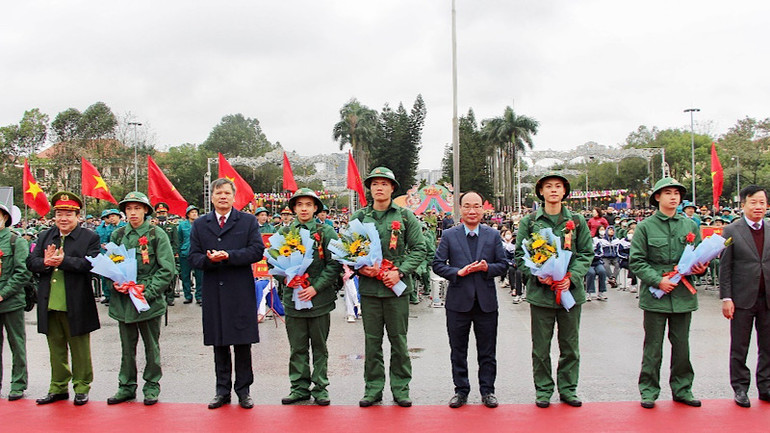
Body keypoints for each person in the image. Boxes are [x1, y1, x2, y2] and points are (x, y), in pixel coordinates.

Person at [514, 173, 592, 408]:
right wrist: (540, 276)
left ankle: (568, 389)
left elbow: (586, 253)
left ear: (565, 191)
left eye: (558, 186)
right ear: (541, 192)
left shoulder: (577, 221)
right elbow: (520, 255)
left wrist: (571, 277)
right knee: (541, 348)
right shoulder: (530, 222)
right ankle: (544, 390)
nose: (554, 190)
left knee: (570, 346)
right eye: (548, 187)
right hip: (541, 295)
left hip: (570, 293)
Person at [629, 178, 709, 409]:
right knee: (653, 347)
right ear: (657, 197)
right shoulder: (645, 227)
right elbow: (637, 261)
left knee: (682, 346)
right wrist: (658, 280)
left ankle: (683, 389)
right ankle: (649, 390)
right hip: (656, 295)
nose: (673, 197)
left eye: (676, 193)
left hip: (683, 295)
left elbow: (700, 256)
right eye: (667, 193)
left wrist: (701, 267)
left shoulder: (690, 225)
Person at [352, 167, 427, 408]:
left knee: (399, 341)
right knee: (371, 342)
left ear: (393, 188)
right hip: (370, 290)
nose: (380, 187)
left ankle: (400, 388)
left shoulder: (406, 217)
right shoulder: (359, 218)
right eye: (375, 184)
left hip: (396, 289)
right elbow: (347, 252)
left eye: (385, 183)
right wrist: (359, 268)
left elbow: (419, 249)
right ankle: (373, 388)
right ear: (370, 188)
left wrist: (400, 271)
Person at [189, 178, 264, 410]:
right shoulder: (201, 224)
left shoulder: (248, 221)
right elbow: (192, 256)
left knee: (242, 344)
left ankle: (244, 391)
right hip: (214, 290)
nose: (223, 197)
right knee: (219, 343)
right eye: (218, 193)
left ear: (234, 197)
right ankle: (222, 391)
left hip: (239, 290)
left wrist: (229, 256)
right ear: (211, 197)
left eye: (227, 193)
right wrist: (210, 260)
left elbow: (257, 250)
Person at [433, 191, 508, 409]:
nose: (472, 211)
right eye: (467, 206)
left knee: (487, 351)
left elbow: (503, 264)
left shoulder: (492, 235)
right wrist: (458, 273)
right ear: (460, 209)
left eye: (476, 206)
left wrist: (487, 268)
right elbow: (438, 264)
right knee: (458, 350)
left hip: (486, 303)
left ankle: (488, 390)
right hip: (458, 302)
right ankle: (461, 390)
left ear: (483, 209)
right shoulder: (449, 235)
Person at [27, 192, 101, 406]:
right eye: (59, 213)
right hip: (50, 302)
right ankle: (58, 386)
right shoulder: (44, 236)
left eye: (68, 213)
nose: (63, 218)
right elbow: (31, 262)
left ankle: (81, 386)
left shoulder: (89, 237)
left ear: (78, 215)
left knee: (80, 349)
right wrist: (45, 263)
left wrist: (64, 261)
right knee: (56, 348)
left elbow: (91, 265)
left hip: (75, 302)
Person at [106, 192, 175, 406]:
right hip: (124, 300)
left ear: (146, 210)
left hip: (148, 299)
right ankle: (126, 386)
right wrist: (115, 283)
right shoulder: (117, 235)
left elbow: (167, 269)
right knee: (127, 347)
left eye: (137, 208)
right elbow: (111, 265)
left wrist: (148, 290)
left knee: (151, 346)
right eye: (128, 209)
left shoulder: (156, 234)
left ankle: (152, 385)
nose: (133, 213)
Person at [278, 188, 341, 406]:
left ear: (316, 208)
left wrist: (316, 287)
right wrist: (286, 278)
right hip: (293, 298)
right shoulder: (284, 233)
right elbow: (274, 262)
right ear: (294, 208)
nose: (304, 208)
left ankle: (320, 387)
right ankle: (299, 387)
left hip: (319, 300)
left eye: (308, 204)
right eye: (299, 205)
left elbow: (334, 264)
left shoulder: (326, 233)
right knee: (297, 347)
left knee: (320, 346)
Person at [719, 185, 770, 408]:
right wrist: (726, 297)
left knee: (768, 346)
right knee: (740, 346)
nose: (758, 207)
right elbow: (725, 267)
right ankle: (740, 388)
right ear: (743, 205)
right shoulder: (732, 230)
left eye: (762, 202)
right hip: (741, 298)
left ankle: (766, 386)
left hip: (767, 298)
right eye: (753, 202)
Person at [0, 203, 32, 401]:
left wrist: (3, 293)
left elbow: (23, 272)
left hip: (11, 301)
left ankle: (18, 384)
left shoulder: (15, 241)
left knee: (16, 343)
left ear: (5, 218)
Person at [94, 209, 124, 305]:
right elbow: (105, 239)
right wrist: (105, 245)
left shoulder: (124, 226)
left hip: (122, 254)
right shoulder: (108, 228)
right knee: (107, 276)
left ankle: (119, 297)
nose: (111, 218)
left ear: (119, 217)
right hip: (109, 254)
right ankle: (109, 296)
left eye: (113, 216)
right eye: (109, 216)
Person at [154, 203, 180, 306]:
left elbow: (175, 242)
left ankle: (170, 296)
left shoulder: (172, 226)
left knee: (171, 275)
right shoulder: (153, 226)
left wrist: (174, 254)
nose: (161, 214)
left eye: (163, 212)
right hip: (156, 255)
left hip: (169, 255)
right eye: (159, 212)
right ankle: (161, 296)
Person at [178, 205, 203, 305]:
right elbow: (179, 239)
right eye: (192, 212)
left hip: (198, 253)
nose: (194, 214)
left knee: (199, 276)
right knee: (185, 276)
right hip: (185, 253)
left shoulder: (201, 224)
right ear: (188, 214)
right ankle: (187, 295)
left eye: (196, 212)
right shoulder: (182, 225)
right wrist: (180, 251)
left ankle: (199, 296)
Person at [586, 232, 607, 301]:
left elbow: (600, 253)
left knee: (602, 271)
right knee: (591, 273)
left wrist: (593, 255)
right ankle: (589, 293)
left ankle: (601, 292)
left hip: (597, 262)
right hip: (587, 263)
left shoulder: (597, 242)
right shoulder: (583, 242)